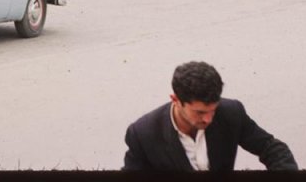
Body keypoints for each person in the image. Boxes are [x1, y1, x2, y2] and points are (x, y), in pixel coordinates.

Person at [123, 61, 297, 171]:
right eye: (200, 112)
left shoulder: (231, 113)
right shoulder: (142, 134)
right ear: (176, 100)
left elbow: (273, 149)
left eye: (213, 109)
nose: (208, 119)